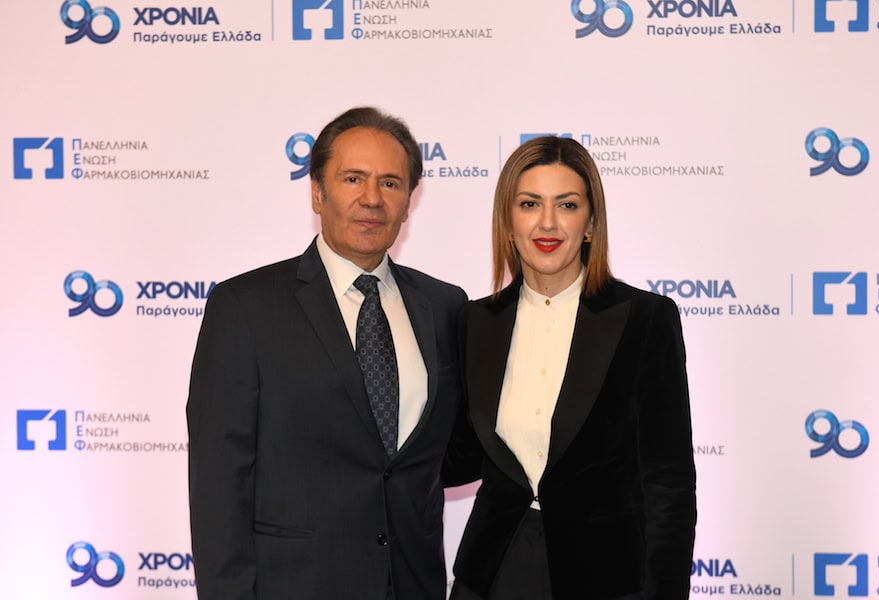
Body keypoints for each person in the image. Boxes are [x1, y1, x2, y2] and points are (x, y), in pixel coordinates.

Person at [186, 106, 467, 600]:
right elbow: (219, 484)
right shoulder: (245, 307)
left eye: (390, 183)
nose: (372, 198)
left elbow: (451, 454)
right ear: (317, 192)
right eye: (353, 178)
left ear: (409, 201)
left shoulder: (445, 306)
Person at [445, 136, 696, 600]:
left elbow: (668, 482)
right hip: (494, 570)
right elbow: (455, 455)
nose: (547, 222)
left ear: (590, 222)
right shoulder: (475, 322)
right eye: (529, 204)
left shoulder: (645, 319)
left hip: (606, 575)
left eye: (567, 204)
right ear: (508, 222)